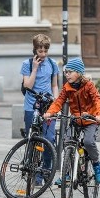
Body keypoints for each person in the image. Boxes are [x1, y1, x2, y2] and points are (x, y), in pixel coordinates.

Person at [43, 57, 100, 184]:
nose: (67, 74)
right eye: (66, 72)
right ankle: (67, 173)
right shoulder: (67, 87)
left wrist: (99, 115)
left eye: (70, 72)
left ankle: (96, 164)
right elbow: (59, 101)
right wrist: (50, 112)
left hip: (90, 120)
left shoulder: (89, 85)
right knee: (67, 142)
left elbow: (97, 100)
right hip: (76, 120)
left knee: (88, 142)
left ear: (78, 73)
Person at [21, 34, 60, 174]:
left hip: (48, 106)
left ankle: (46, 170)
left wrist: (56, 103)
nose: (43, 54)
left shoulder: (52, 64)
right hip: (31, 106)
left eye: (45, 51)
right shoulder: (27, 64)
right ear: (35, 50)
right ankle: (33, 173)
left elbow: (54, 85)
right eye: (40, 51)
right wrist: (35, 68)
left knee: (49, 139)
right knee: (32, 139)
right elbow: (28, 86)